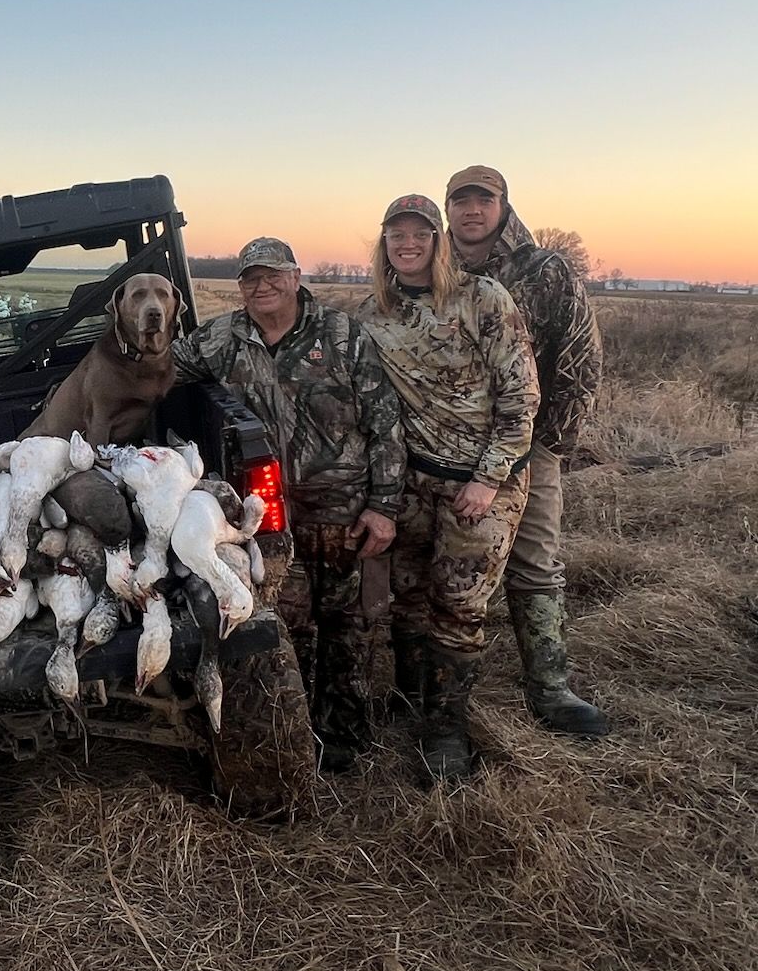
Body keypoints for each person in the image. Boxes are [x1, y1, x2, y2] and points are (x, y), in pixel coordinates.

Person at [172, 236, 405, 771]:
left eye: (273, 274)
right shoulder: (224, 337)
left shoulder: (343, 336)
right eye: (251, 278)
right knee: (284, 625)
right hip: (270, 516)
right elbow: (162, 367)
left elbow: (385, 423)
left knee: (347, 624)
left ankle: (345, 736)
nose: (262, 286)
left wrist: (384, 507)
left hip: (344, 506)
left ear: (296, 277)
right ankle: (293, 737)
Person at [355, 195, 540, 782]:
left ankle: (447, 730)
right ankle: (412, 700)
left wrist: (488, 479)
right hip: (411, 482)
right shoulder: (371, 315)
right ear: (383, 242)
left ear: (437, 240)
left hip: (481, 485)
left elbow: (521, 398)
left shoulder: (483, 299)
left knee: (458, 606)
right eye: (395, 235)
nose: (407, 244)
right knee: (408, 598)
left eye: (419, 234)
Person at [445, 165, 609, 737]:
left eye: (482, 200)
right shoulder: (431, 269)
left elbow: (581, 361)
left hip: (525, 445)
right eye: (460, 201)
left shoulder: (545, 270)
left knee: (534, 560)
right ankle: (431, 688)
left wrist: (549, 445)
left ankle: (550, 686)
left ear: (503, 206)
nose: (471, 211)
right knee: (441, 563)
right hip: (444, 447)